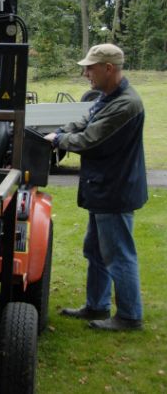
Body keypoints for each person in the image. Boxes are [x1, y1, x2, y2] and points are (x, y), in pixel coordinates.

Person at [44, 44, 147, 331]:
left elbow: (90, 139)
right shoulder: (108, 98)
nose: (85, 72)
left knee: (118, 254)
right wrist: (63, 131)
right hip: (103, 187)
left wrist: (58, 140)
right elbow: (84, 121)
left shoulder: (126, 104)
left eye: (90, 67)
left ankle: (129, 316)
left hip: (115, 190)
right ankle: (97, 306)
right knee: (96, 251)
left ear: (109, 68)